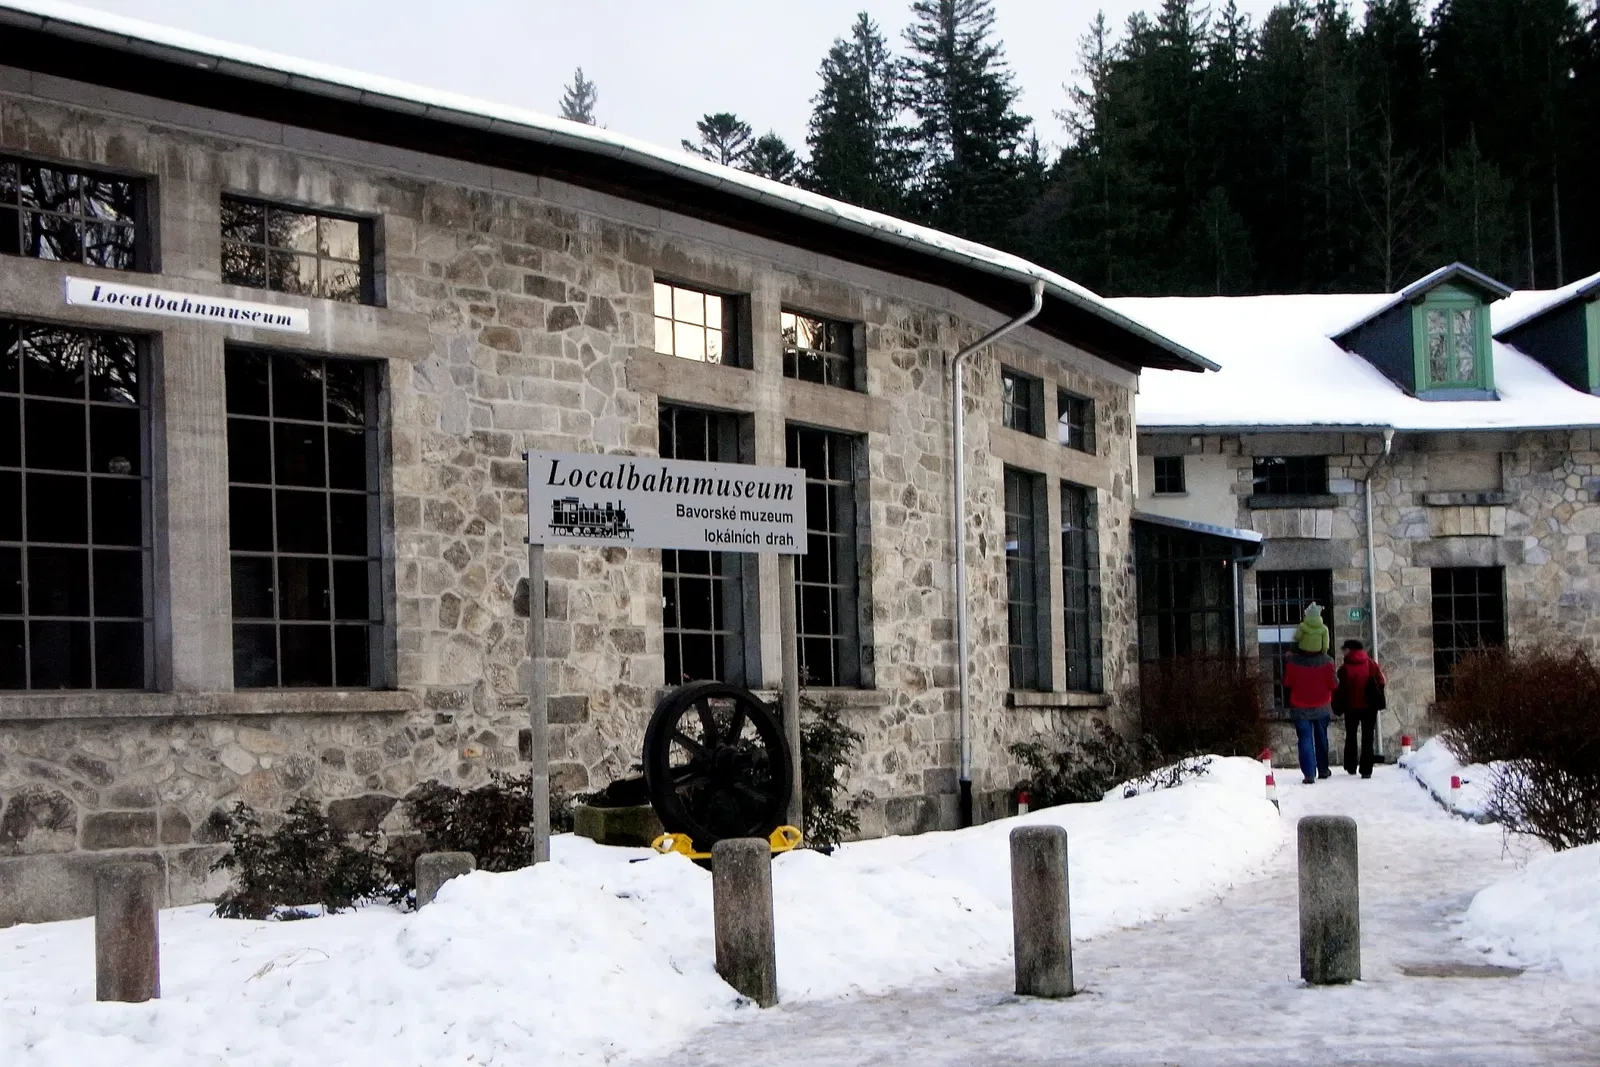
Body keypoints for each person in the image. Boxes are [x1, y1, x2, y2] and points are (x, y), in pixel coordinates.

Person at [1282, 603, 1338, 784]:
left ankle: (1309, 773)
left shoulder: (1293, 662)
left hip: (1300, 705)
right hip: (1322, 704)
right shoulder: (1328, 661)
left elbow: (1287, 682)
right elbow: (1333, 684)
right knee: (1321, 737)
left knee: (1304, 738)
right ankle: (1323, 769)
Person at [1335, 639, 1386, 779]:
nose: (1343, 651)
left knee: (1351, 735)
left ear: (1350, 650)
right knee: (1368, 737)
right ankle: (1366, 769)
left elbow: (1341, 685)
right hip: (1369, 707)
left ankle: (1351, 766)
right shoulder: (1370, 663)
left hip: (1351, 707)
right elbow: (1381, 680)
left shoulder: (1345, 667)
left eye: (1345, 649)